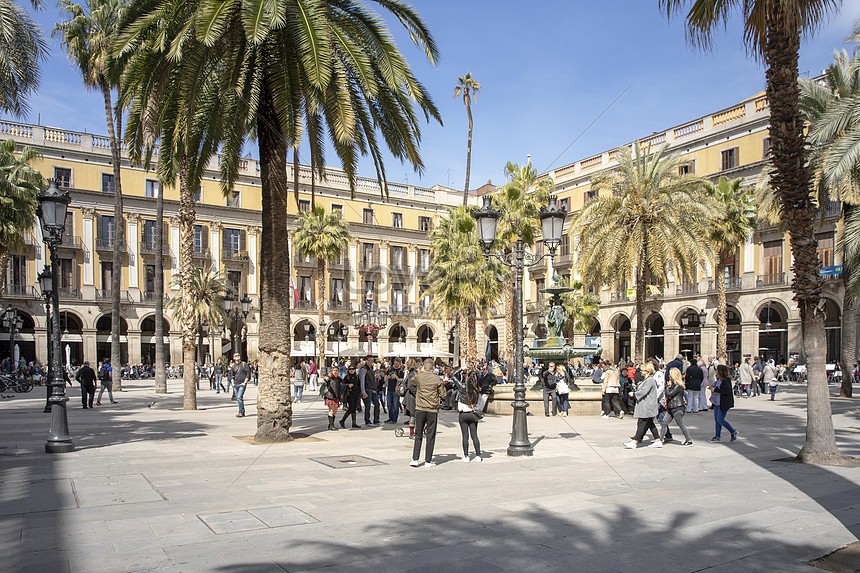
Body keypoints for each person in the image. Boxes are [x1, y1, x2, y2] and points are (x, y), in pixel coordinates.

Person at [410, 358, 446, 468]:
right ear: (433, 367)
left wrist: (421, 372)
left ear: (423, 366)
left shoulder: (418, 377)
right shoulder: (437, 379)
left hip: (420, 408)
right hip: (432, 409)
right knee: (430, 435)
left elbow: (412, 381)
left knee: (418, 434)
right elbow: (443, 395)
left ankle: (415, 459)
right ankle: (428, 461)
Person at [623, 362, 659, 449]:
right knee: (650, 423)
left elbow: (644, 391)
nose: (640, 372)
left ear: (647, 371)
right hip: (645, 405)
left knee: (641, 423)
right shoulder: (647, 380)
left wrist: (634, 394)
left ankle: (634, 441)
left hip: (647, 405)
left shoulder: (650, 380)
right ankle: (658, 440)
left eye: (642, 370)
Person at [656, 367, 693, 447]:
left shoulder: (678, 386)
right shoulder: (674, 385)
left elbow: (669, 394)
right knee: (664, 423)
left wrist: (668, 387)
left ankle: (689, 440)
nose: (669, 377)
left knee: (681, 424)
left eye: (670, 375)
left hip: (677, 408)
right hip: (671, 408)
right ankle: (660, 439)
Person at [458, 369, 483, 462]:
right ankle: (478, 455)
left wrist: (461, 369)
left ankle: (466, 456)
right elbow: (480, 404)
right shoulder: (477, 390)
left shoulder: (462, 387)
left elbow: (453, 375)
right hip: (473, 414)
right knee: (474, 435)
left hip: (463, 414)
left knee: (465, 436)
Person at [709, 364, 739, 443]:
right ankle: (717, 436)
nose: (716, 372)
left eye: (717, 370)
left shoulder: (726, 380)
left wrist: (715, 390)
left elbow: (726, 391)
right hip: (717, 402)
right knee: (717, 420)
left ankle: (733, 431)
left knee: (720, 420)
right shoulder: (719, 380)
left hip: (723, 403)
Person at [227, 353, 251, 418]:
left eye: (238, 355)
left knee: (239, 397)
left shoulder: (244, 364)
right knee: (238, 398)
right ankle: (242, 411)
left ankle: (240, 411)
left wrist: (245, 382)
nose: (237, 357)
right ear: (234, 358)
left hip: (242, 384)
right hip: (236, 384)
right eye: (235, 356)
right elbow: (231, 374)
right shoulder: (233, 365)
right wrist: (232, 383)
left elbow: (248, 373)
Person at [359, 357, 381, 426]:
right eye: (370, 360)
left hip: (373, 389)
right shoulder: (364, 369)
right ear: (366, 361)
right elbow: (362, 381)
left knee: (377, 404)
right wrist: (363, 391)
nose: (372, 362)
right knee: (367, 406)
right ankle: (367, 421)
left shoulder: (371, 369)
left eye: (373, 360)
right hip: (367, 389)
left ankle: (376, 420)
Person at [402, 358, 418, 436]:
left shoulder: (411, 372)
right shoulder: (413, 373)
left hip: (409, 395)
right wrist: (416, 393)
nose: (406, 363)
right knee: (413, 415)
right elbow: (410, 386)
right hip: (411, 396)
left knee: (413, 415)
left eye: (408, 362)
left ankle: (413, 432)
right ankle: (412, 433)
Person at [385, 359, 404, 423]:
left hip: (396, 390)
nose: (395, 364)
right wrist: (388, 377)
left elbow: (401, 381)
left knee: (396, 405)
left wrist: (396, 377)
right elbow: (385, 379)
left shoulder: (400, 371)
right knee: (389, 405)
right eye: (395, 363)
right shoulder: (390, 369)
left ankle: (394, 418)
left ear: (399, 364)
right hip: (389, 389)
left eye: (397, 363)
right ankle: (390, 417)